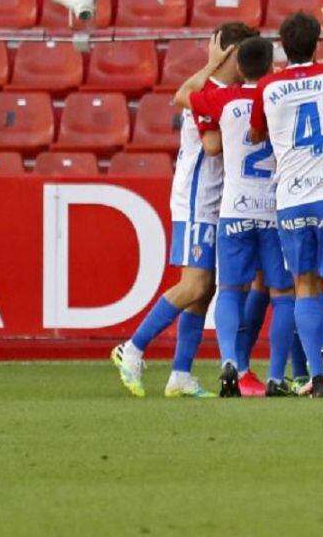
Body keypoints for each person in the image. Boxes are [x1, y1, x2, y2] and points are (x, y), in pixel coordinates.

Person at [111, 23, 258, 398]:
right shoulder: (205, 93)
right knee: (193, 283)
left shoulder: (229, 92)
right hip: (197, 198)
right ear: (232, 54)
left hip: (217, 198)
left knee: (204, 290)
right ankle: (132, 348)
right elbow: (211, 145)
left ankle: (180, 373)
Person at [250, 9, 323, 398]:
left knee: (305, 286)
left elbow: (255, 133)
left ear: (281, 46)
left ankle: (318, 375)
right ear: (318, 43)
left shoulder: (267, 86)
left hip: (292, 200)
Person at [183, 37, 298, 397]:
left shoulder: (223, 99)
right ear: (269, 66)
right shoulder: (280, 96)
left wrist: (213, 64)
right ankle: (278, 376)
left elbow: (187, 94)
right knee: (283, 294)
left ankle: (229, 362)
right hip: (273, 211)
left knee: (230, 291)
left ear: (239, 67)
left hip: (233, 211)